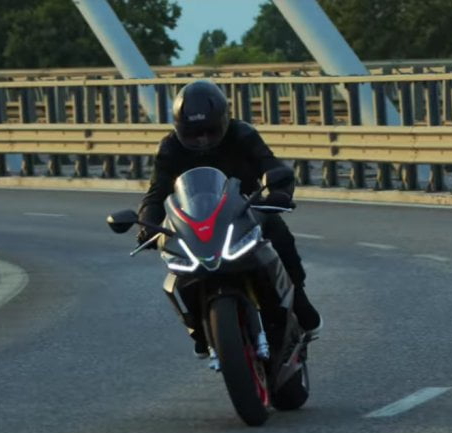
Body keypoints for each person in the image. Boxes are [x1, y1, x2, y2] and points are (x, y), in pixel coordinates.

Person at [136, 79, 322, 357]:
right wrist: (147, 224)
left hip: (246, 209)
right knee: (176, 265)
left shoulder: (242, 134)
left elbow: (270, 164)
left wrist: (279, 193)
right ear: (179, 128)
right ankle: (198, 327)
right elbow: (156, 192)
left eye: (209, 131)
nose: (202, 140)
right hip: (194, 220)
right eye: (193, 133)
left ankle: (300, 300)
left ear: (224, 121)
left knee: (280, 236)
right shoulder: (170, 148)